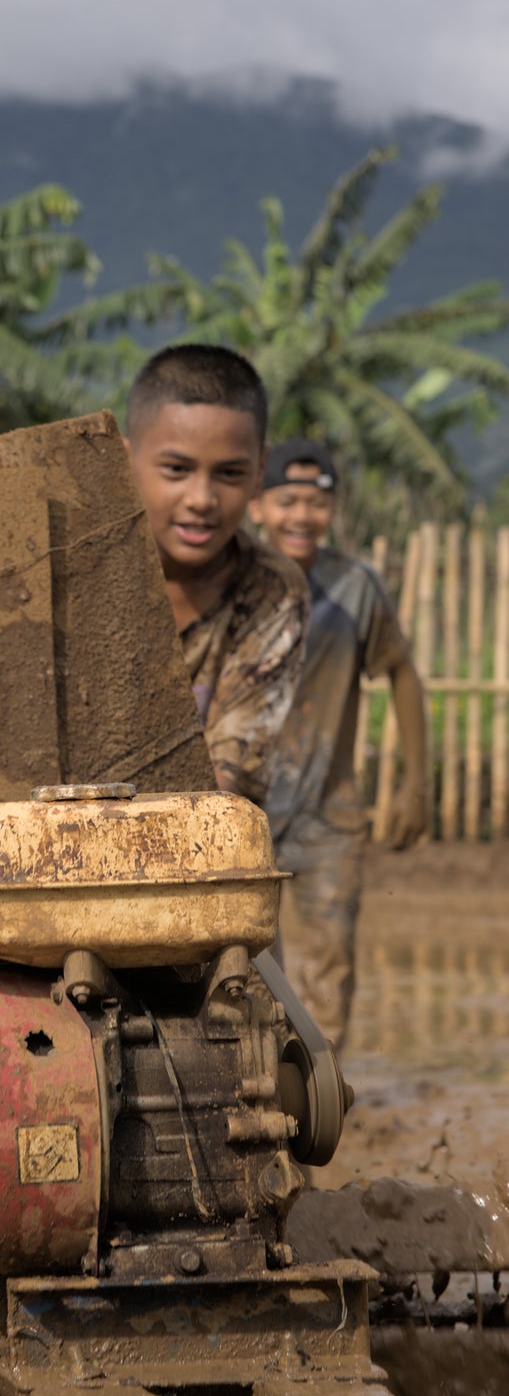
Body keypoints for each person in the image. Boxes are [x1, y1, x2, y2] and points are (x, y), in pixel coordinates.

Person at [252, 438, 428, 1048]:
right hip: (239, 816)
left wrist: (416, 785)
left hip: (330, 814)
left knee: (330, 967)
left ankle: (320, 1104)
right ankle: (258, 1096)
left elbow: (401, 670)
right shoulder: (228, 581)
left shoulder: (354, 588)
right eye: (287, 500)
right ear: (257, 505)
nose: (302, 515)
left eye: (316, 502)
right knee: (248, 971)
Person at [124, 344, 308, 806]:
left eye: (228, 473)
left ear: (260, 469)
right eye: (176, 469)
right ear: (125, 458)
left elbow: (229, 785)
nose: (202, 498)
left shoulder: (271, 592)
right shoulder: (68, 574)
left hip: (197, 854)